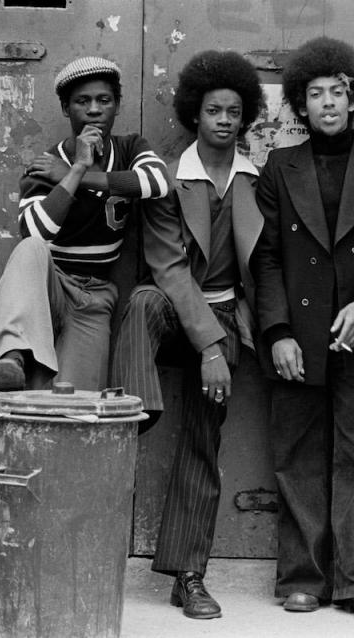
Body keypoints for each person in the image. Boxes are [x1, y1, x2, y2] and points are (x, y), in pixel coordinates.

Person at [250, 37, 354, 622]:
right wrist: (277, 331)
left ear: (353, 97)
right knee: (297, 458)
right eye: (314, 95)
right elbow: (264, 257)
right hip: (299, 334)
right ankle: (303, 579)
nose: (328, 104)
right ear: (300, 105)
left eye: (337, 92)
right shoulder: (279, 167)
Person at [109, 50, 264, 620]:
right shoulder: (168, 179)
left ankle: (189, 576)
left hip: (227, 318)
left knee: (204, 440)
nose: (224, 119)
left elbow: (265, 265)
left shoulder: (257, 179)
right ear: (193, 116)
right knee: (145, 298)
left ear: (243, 118)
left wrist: (233, 342)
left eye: (234, 111)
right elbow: (168, 267)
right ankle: (136, 407)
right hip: (179, 312)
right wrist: (208, 348)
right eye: (213, 110)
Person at [0, 56, 170, 391]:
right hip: (47, 287)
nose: (94, 110)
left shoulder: (130, 148)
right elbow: (35, 232)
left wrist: (84, 177)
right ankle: (11, 356)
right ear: (66, 109)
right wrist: (74, 169)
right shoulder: (48, 163)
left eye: (104, 100)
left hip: (93, 296)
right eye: (82, 102)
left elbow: (156, 182)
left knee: (76, 406)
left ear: (116, 105)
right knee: (29, 249)